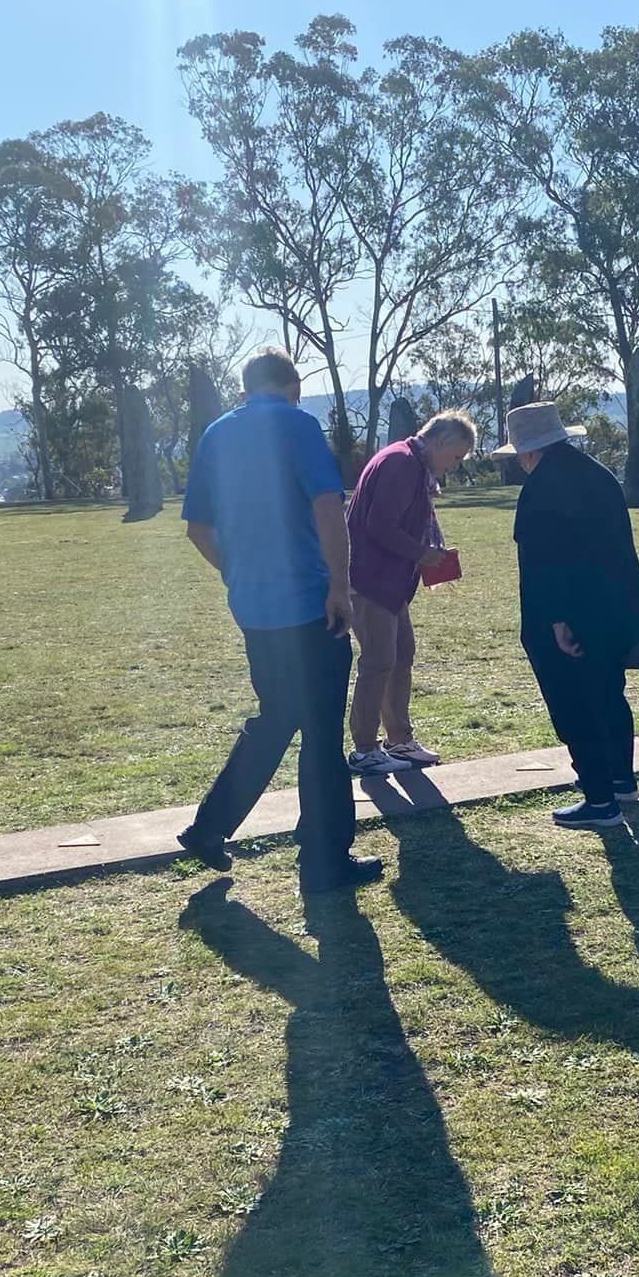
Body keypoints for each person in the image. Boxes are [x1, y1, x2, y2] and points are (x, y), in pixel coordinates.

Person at [177, 349, 384, 895]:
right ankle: (325, 861)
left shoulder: (215, 435)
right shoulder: (298, 424)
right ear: (291, 385)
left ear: (246, 388)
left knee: (277, 717)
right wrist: (339, 587)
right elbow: (326, 506)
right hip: (310, 605)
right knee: (320, 735)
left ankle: (209, 827)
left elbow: (197, 527)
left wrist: (238, 572)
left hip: (254, 609)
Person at [494, 401, 639, 830]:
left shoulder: (542, 488)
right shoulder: (598, 474)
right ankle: (621, 780)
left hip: (569, 617)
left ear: (528, 452)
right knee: (608, 696)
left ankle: (599, 799)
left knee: (574, 704)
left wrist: (558, 620)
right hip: (614, 608)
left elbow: (546, 563)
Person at [344, 410, 477, 775]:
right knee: (379, 659)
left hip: (390, 584)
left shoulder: (411, 465)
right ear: (441, 440)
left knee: (402, 655)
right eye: (456, 457)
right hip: (370, 581)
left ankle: (399, 740)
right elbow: (379, 525)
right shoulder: (401, 464)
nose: (455, 466)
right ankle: (364, 748)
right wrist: (422, 553)